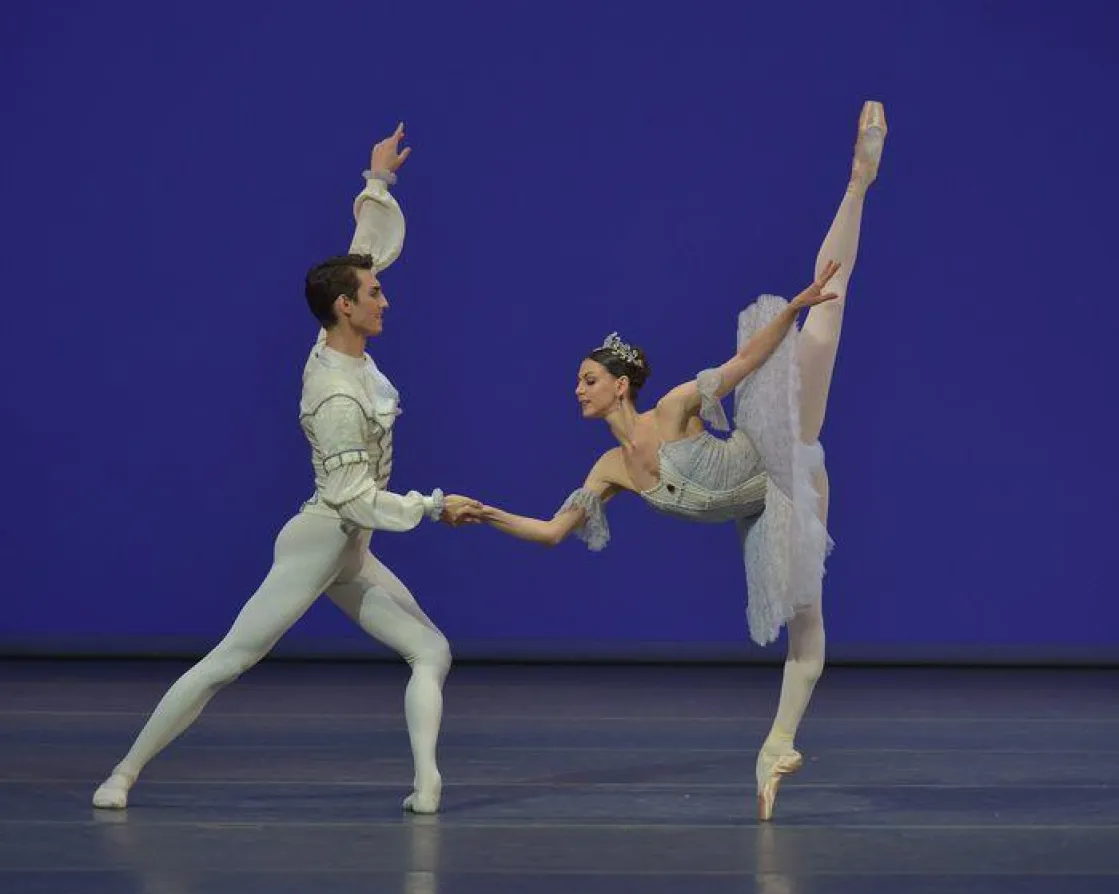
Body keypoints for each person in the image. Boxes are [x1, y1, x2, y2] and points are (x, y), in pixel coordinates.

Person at [476, 102, 887, 820]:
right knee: (805, 627)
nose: (577, 389)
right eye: (578, 381)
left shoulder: (671, 407)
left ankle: (857, 182)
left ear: (620, 385)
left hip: (775, 445)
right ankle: (774, 749)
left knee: (820, 326)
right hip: (768, 506)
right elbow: (548, 533)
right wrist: (481, 512)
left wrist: (787, 312)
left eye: (587, 378)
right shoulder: (605, 475)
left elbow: (743, 360)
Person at [91, 124, 479, 815]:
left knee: (430, 650)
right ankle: (122, 772)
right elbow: (354, 498)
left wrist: (377, 179)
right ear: (345, 308)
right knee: (231, 659)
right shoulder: (333, 391)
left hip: (351, 543)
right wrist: (431, 505)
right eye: (374, 295)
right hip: (325, 534)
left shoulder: (341, 337)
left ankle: (426, 783)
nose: (385, 300)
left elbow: (362, 253)